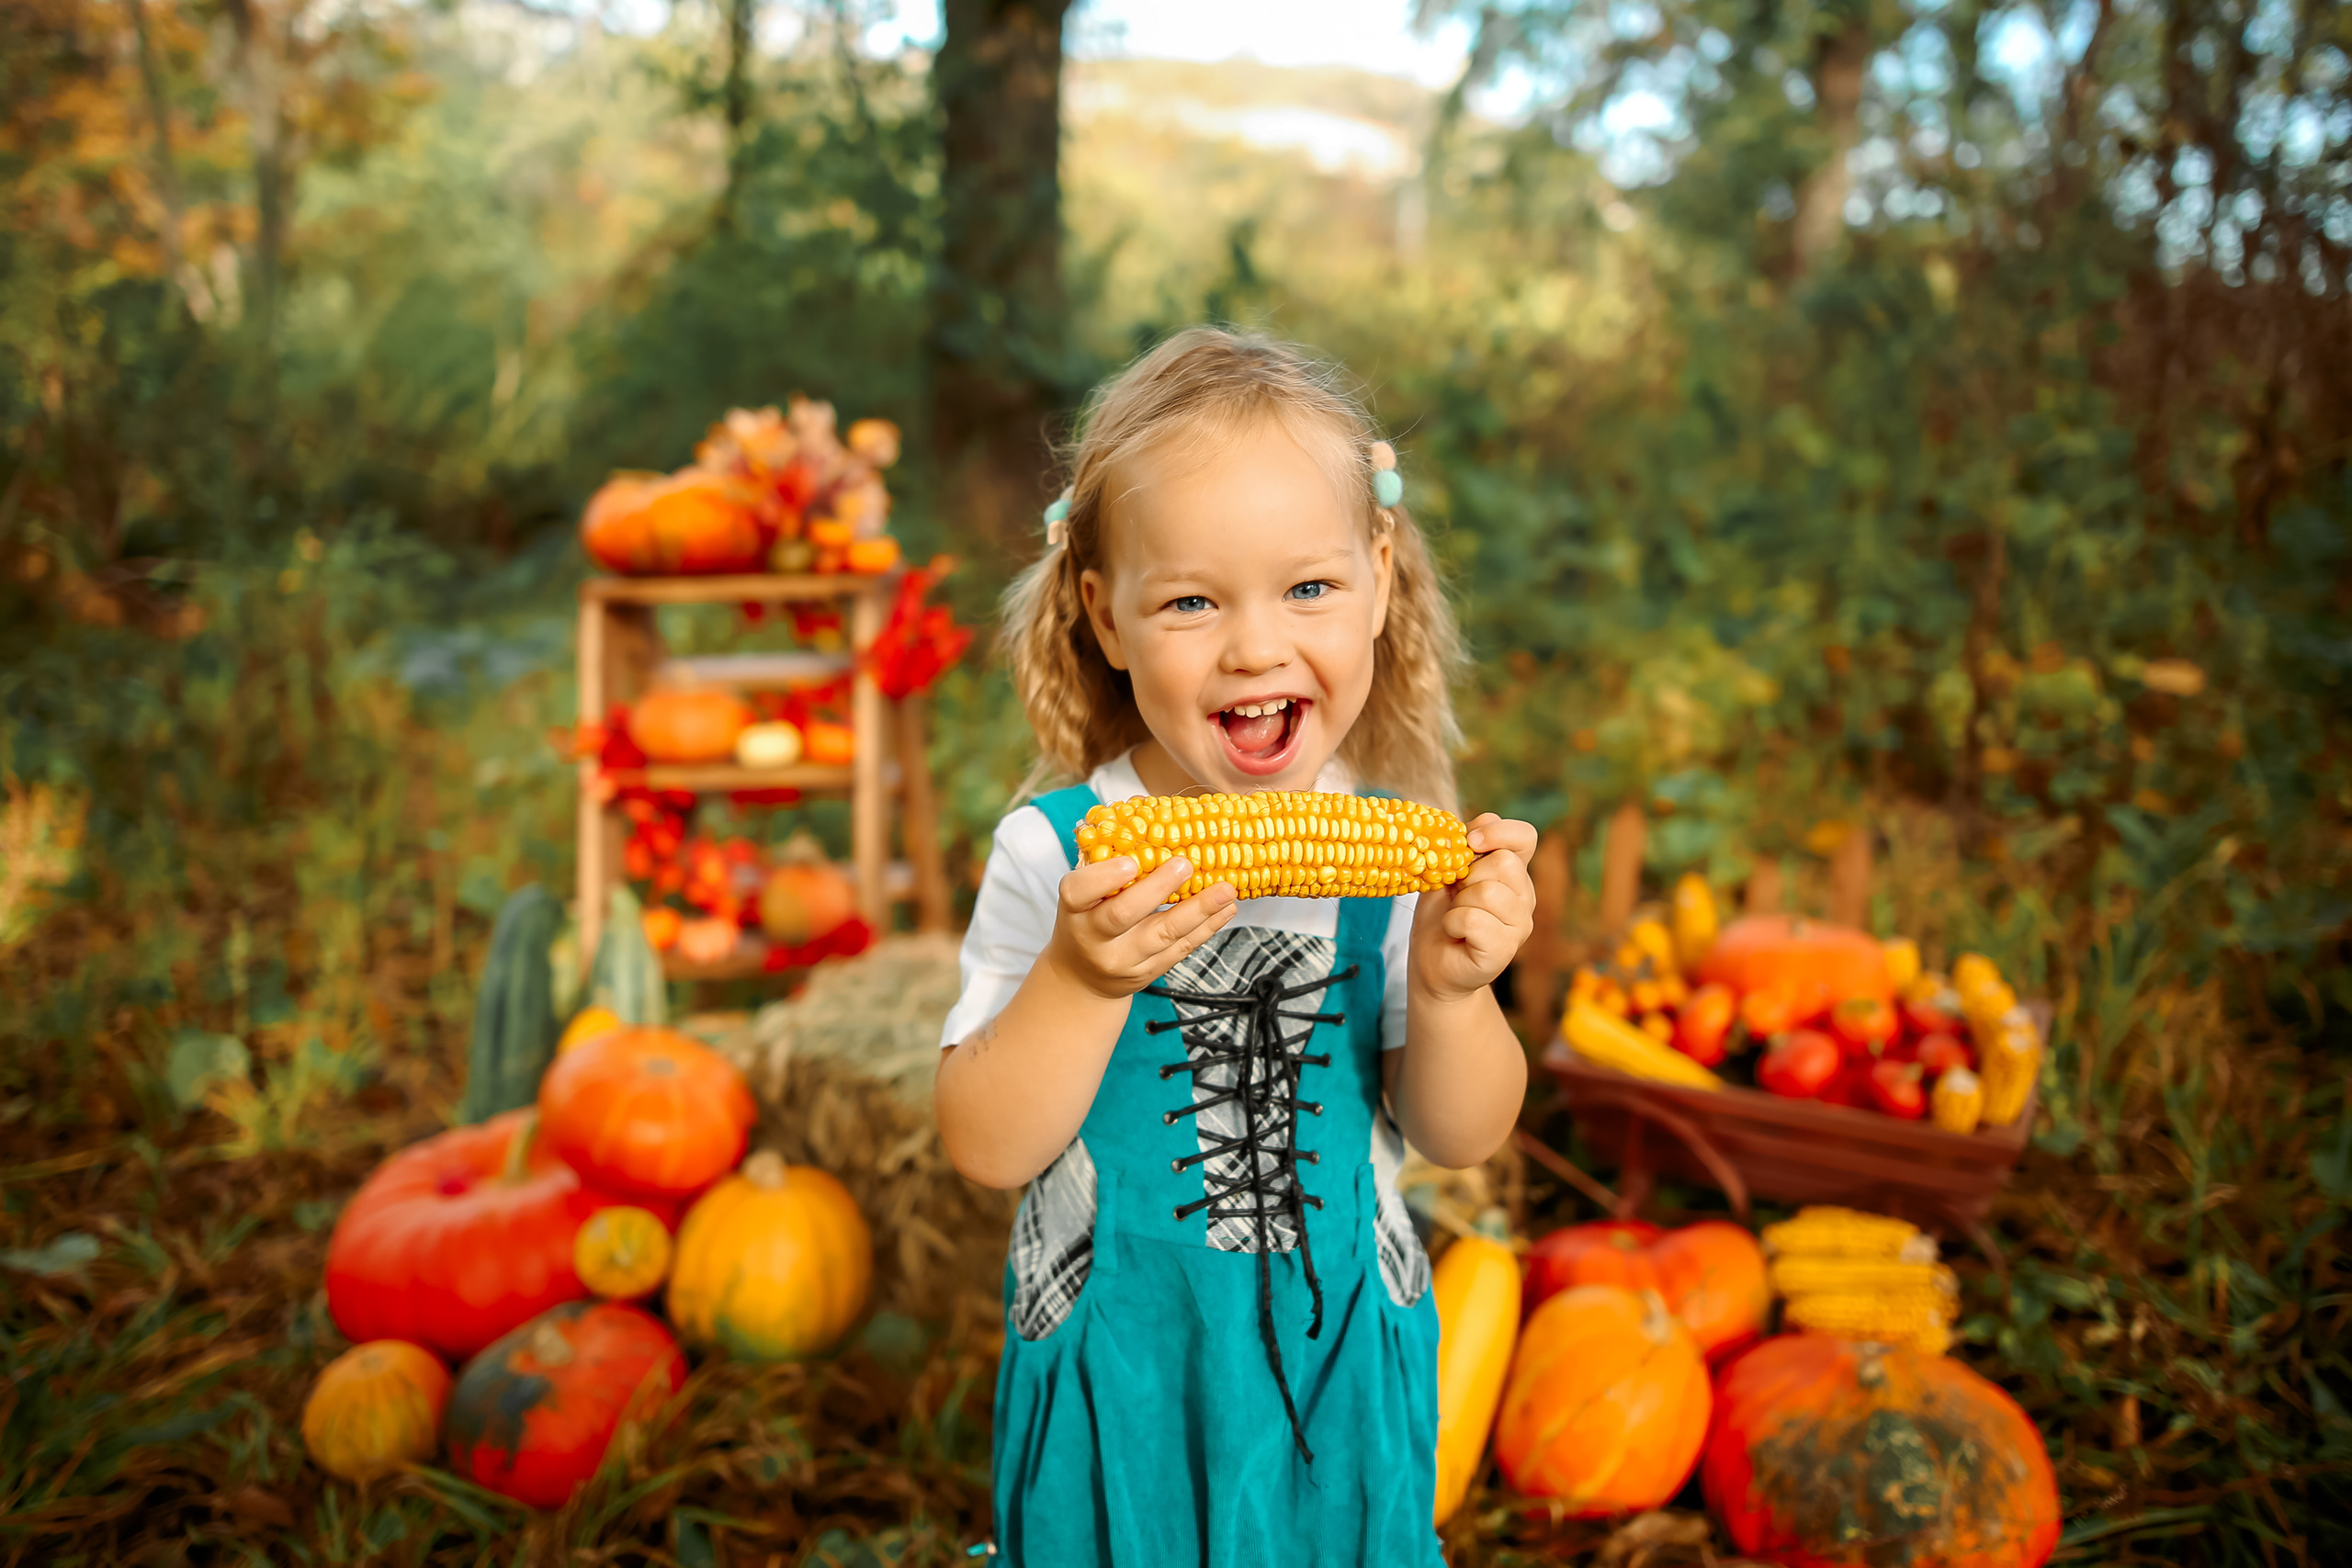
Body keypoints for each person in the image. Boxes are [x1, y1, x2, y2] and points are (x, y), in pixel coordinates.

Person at [935, 327, 1535, 1566]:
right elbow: (985, 1145)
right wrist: (1081, 976)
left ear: (1377, 578)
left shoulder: (1402, 856)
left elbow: (1464, 1133)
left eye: (1307, 587)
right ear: (1105, 616)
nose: (1255, 646)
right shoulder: (1059, 854)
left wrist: (1452, 991)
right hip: (1125, 1360)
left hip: (1339, 1369)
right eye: (1193, 601)